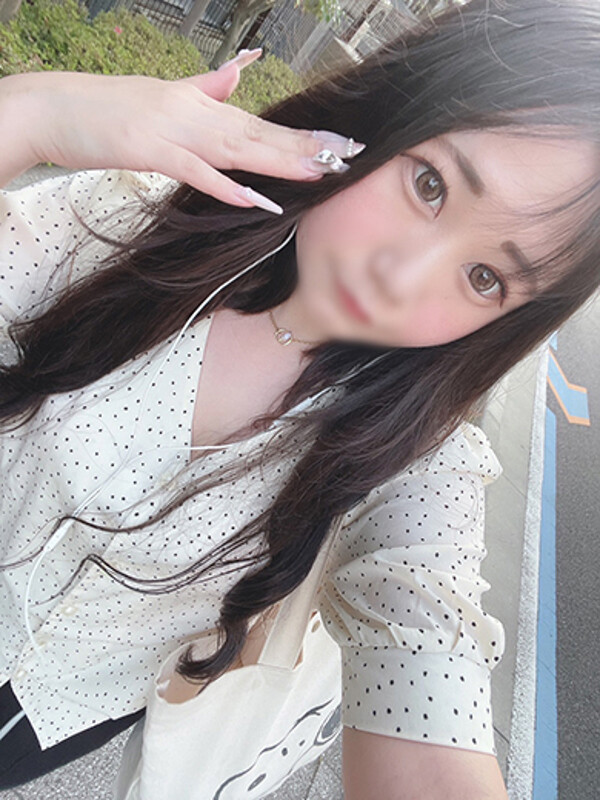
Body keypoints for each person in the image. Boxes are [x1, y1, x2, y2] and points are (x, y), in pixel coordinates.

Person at [0, 0, 598, 796]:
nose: (399, 279)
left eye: (484, 278)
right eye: (430, 184)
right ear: (386, 116)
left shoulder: (412, 463)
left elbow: (428, 661)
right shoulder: (133, 220)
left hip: (47, 715)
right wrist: (31, 112)